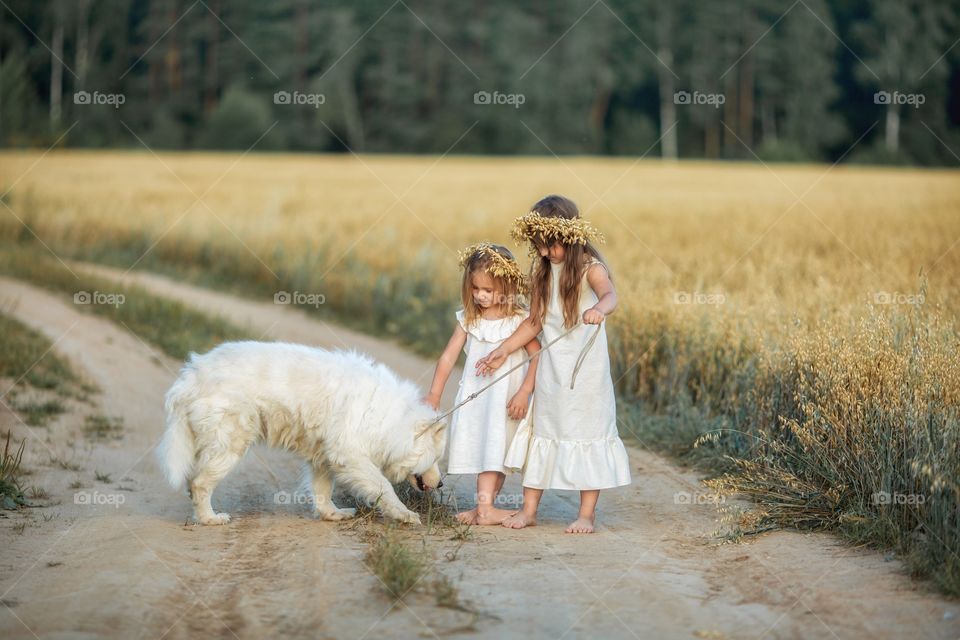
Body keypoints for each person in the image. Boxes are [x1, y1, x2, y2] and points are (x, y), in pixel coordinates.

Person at [476, 195, 632, 533]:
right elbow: (534, 322)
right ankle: (529, 509)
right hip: (552, 368)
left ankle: (586, 514)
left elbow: (611, 296)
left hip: (586, 371)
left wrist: (598, 310)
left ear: (570, 236)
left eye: (550, 245)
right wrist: (503, 349)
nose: (546, 252)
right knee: (544, 431)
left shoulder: (591, 268)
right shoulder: (543, 270)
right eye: (539, 246)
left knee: (588, 431)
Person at [423, 243, 540, 525]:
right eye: (475, 289)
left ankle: (484, 508)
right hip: (478, 396)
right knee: (486, 447)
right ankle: (484, 509)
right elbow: (448, 358)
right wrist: (434, 394)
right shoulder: (469, 319)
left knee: (497, 451)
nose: (480, 296)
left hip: (507, 398)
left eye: (488, 290)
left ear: (508, 285)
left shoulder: (519, 321)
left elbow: (539, 356)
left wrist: (525, 392)